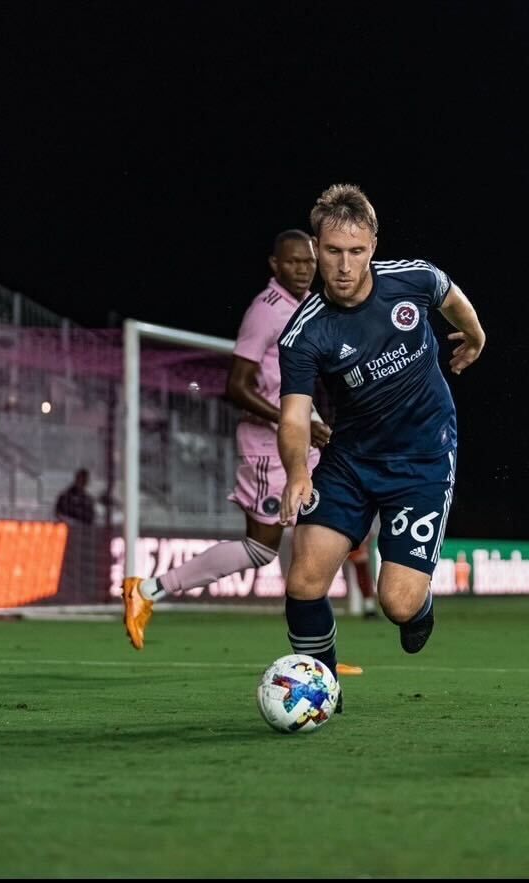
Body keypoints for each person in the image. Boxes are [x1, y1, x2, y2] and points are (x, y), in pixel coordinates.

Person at [275, 183, 485, 685]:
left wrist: (475, 337)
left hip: (423, 459)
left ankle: (420, 606)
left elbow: (454, 300)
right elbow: (294, 417)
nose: (344, 266)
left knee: (397, 602)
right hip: (351, 461)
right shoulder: (304, 333)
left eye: (355, 252)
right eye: (331, 252)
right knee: (303, 582)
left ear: (373, 246)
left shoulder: (414, 280)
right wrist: (298, 471)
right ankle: (319, 685)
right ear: (315, 249)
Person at [121, 230, 332, 650]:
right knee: (261, 549)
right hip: (267, 448)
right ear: (275, 265)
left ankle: (316, 654)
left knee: (320, 533)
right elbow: (235, 387)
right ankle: (147, 591)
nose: (304, 269)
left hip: (300, 437)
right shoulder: (265, 311)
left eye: (309, 261)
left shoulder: (308, 305)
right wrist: (292, 421)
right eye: (293, 262)